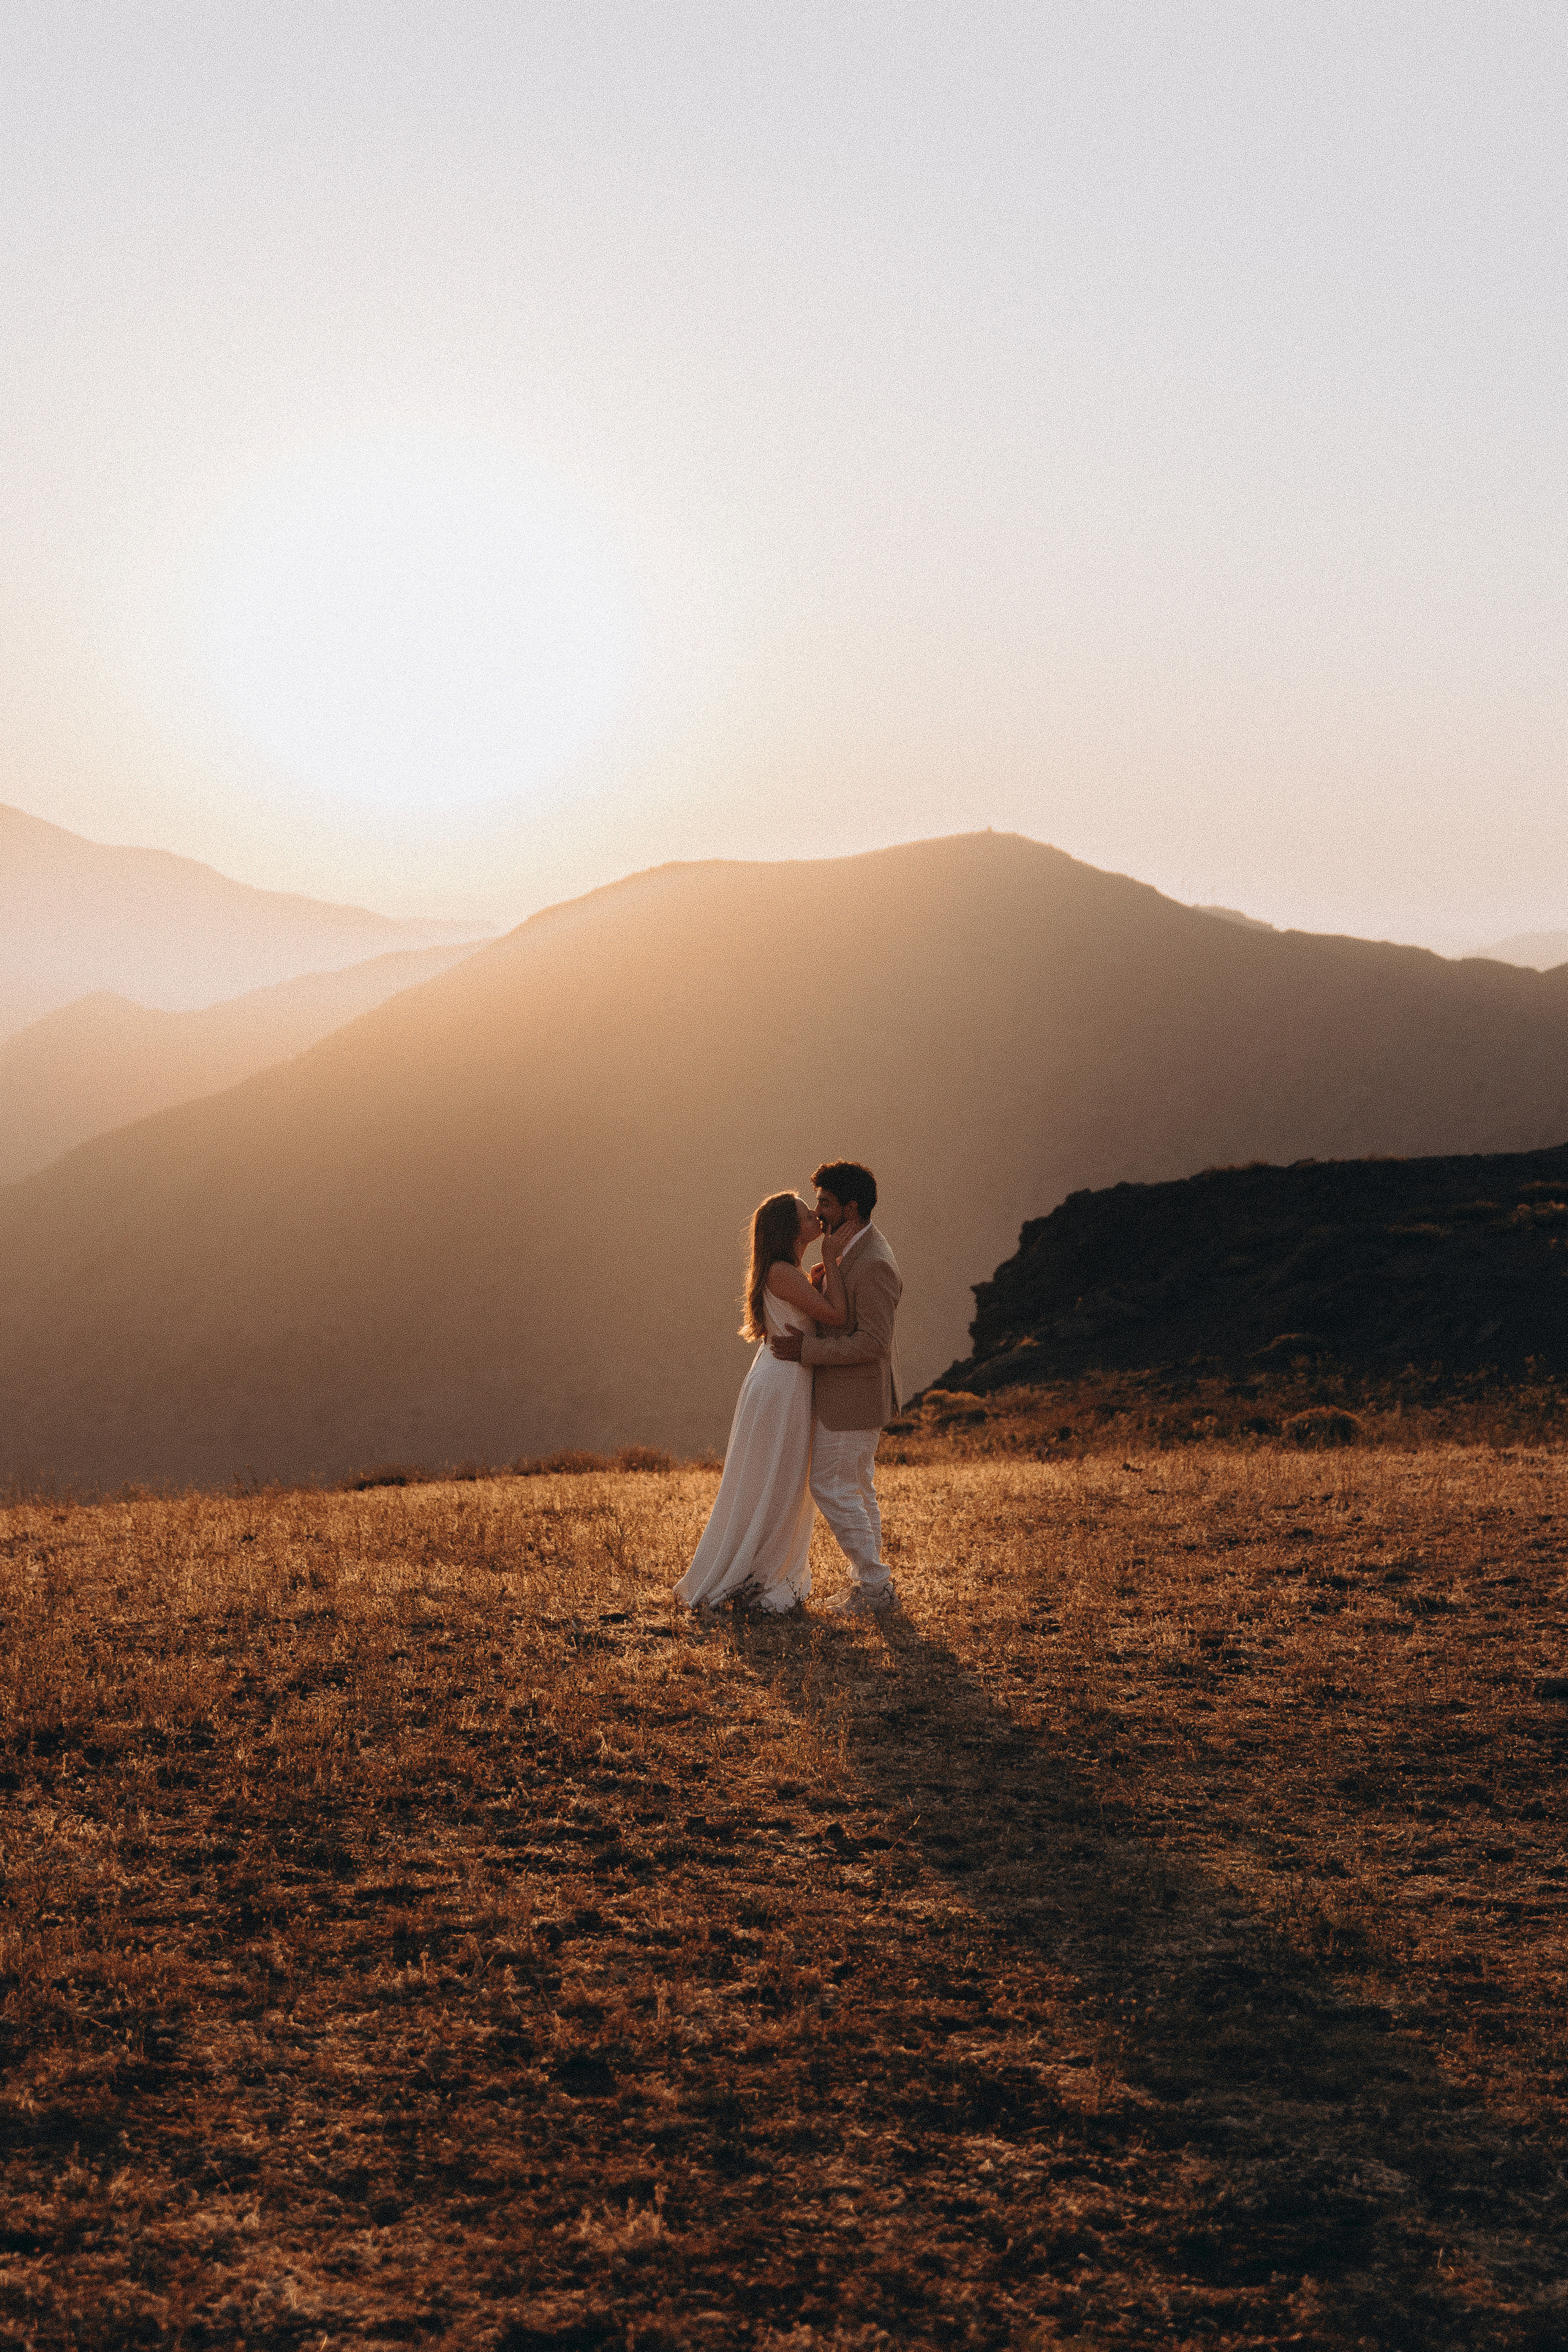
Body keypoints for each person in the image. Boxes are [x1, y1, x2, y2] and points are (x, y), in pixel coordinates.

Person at [674, 1192, 849, 1611]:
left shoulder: (788, 1273)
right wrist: (835, 1263)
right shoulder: (783, 1273)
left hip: (783, 1378)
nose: (816, 1216)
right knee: (777, 1476)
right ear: (792, 1230)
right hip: (783, 1383)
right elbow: (837, 1317)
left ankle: (762, 1569)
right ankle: (757, 1571)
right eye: (808, 1215)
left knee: (781, 1476)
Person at [769, 1159, 903, 1614]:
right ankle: (871, 1585)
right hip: (849, 1397)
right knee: (858, 1487)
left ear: (851, 1207)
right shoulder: (848, 1250)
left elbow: (873, 1343)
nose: (818, 1211)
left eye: (825, 1203)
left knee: (830, 1486)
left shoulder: (875, 1263)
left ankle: (876, 1586)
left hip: (854, 1399)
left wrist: (807, 1350)